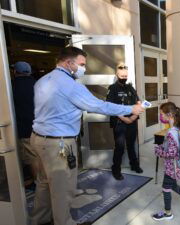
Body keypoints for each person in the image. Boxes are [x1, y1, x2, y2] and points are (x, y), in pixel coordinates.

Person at [30, 47, 144, 225]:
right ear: (69, 63)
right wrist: (131, 109)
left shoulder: (42, 81)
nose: (85, 69)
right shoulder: (71, 85)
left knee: (44, 183)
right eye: (82, 64)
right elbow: (100, 106)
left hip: (38, 139)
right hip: (58, 144)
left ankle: (41, 220)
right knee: (62, 189)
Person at [107, 62, 143, 180]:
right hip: (119, 122)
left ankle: (134, 165)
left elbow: (138, 102)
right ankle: (116, 169)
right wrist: (125, 119)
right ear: (117, 75)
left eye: (126, 76)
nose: (124, 78)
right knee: (120, 147)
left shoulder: (130, 87)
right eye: (122, 76)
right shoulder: (112, 89)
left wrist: (132, 118)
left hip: (132, 121)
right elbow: (110, 106)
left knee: (131, 145)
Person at [11, 61, 37, 188]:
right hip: (41, 127)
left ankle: (38, 182)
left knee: (31, 156)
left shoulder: (11, 86)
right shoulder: (37, 84)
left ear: (15, 72)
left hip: (25, 127)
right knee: (41, 154)